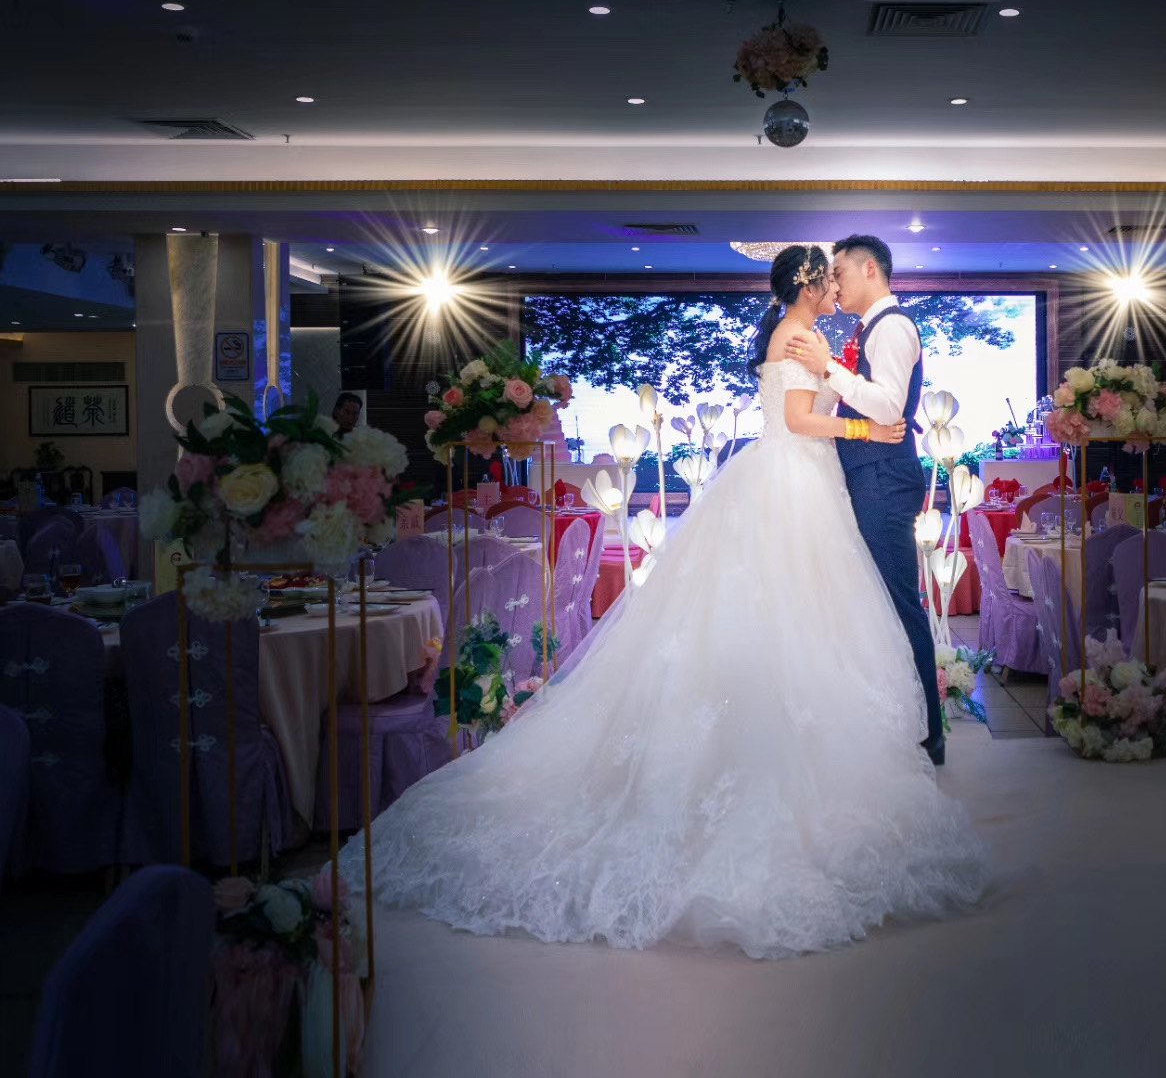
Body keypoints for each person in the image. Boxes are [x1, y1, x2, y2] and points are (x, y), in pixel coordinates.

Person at [340, 245, 988, 959]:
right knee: (793, 610)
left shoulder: (814, 335)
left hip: (806, 483)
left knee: (814, 615)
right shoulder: (797, 337)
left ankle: (847, 737)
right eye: (826, 278)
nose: (835, 286)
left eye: (840, 275)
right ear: (809, 284)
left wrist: (850, 401)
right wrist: (863, 427)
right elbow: (800, 419)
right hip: (794, 480)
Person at [784, 235, 945, 766]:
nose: (834, 283)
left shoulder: (892, 328)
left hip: (883, 479)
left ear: (869, 268)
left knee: (898, 603)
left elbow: (887, 407)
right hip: (870, 474)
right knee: (878, 602)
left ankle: (928, 735)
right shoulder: (870, 328)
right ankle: (903, 722)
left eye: (840, 273)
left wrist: (829, 367)